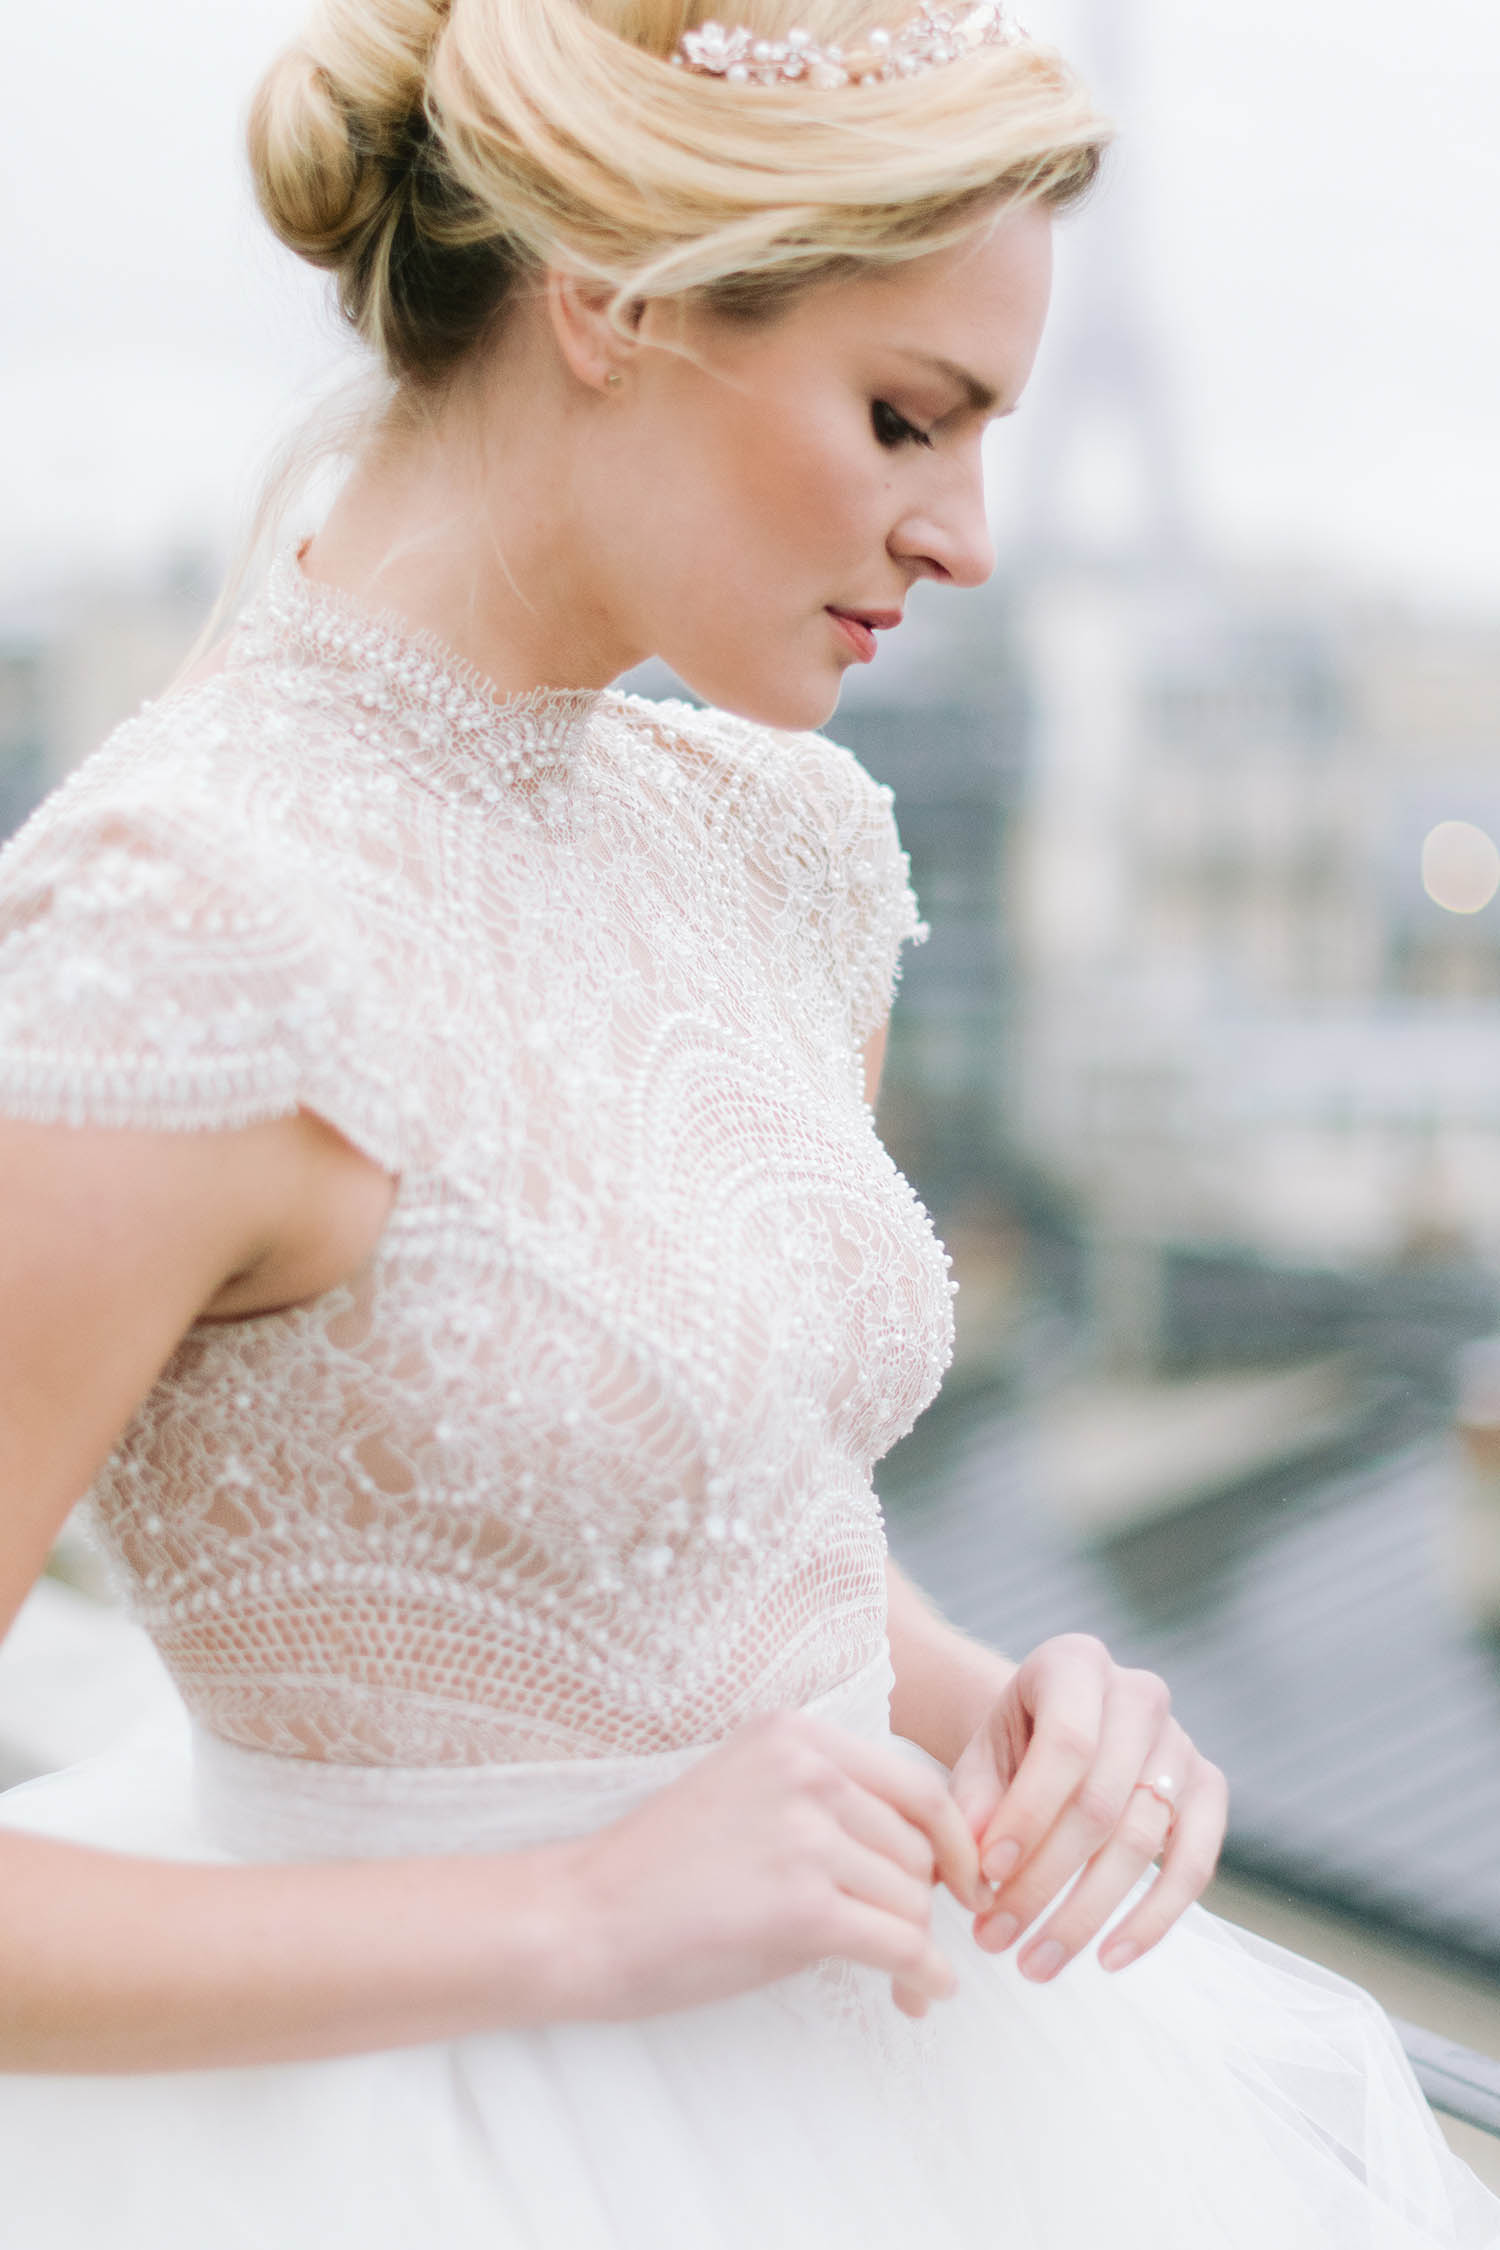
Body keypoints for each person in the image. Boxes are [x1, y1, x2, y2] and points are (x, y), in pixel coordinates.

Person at [0, 0, 1494, 2241]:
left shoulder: (784, 852)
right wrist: (584, 1918)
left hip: (926, 2092)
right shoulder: (181, 931)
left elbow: (703, 1529)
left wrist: (998, 1708)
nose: (970, 535)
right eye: (910, 416)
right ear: (613, 294)